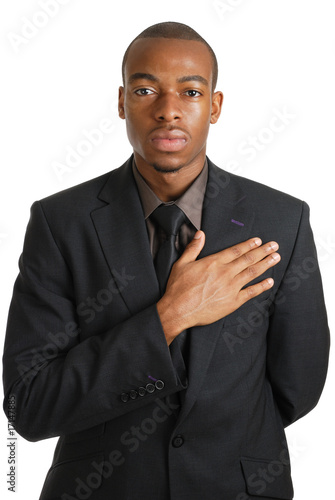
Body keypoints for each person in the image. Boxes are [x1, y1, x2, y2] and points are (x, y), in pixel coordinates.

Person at [2, 21, 330, 500]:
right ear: (121, 103)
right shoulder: (60, 222)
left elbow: (296, 386)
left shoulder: (283, 219)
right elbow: (30, 405)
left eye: (191, 91)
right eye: (145, 89)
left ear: (214, 106)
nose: (168, 110)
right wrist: (170, 317)